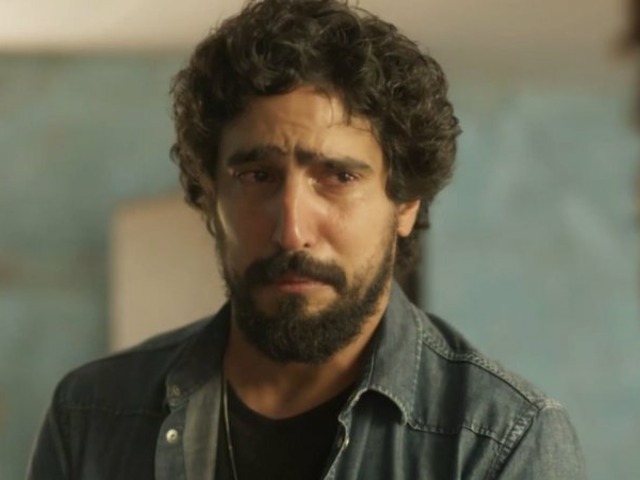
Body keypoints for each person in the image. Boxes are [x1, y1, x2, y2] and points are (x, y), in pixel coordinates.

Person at [27, 0, 586, 478]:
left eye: (338, 177)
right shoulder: (93, 415)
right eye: (257, 176)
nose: (291, 231)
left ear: (405, 204)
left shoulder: (498, 440)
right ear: (210, 197)